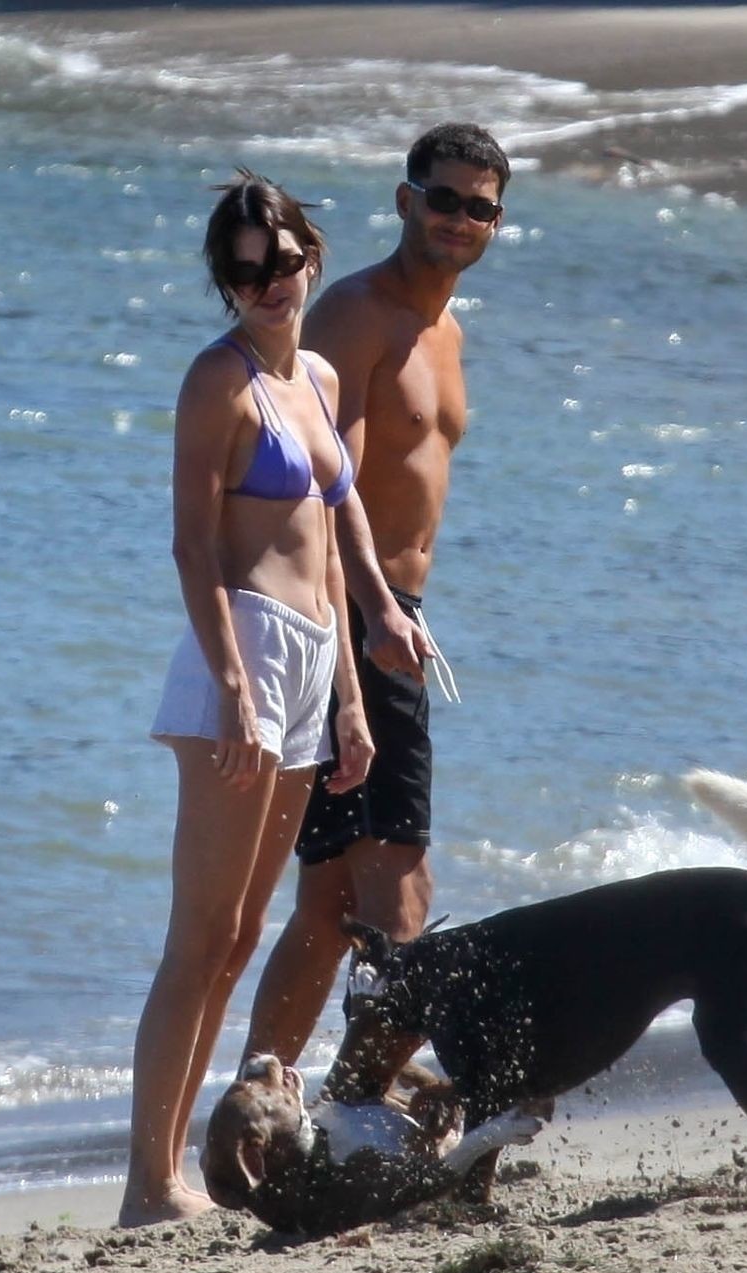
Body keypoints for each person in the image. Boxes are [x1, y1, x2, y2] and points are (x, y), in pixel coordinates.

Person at [119, 171, 375, 1227]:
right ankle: (148, 1185)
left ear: (312, 255)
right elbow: (193, 545)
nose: (268, 284)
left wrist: (350, 700)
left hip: (312, 660)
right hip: (247, 652)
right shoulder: (215, 382)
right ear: (223, 283)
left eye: (282, 262)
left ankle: (178, 1167)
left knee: (241, 935)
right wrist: (232, 682)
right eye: (243, 272)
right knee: (201, 935)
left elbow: (330, 558)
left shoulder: (318, 377)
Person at [243, 123, 511, 1067]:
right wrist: (377, 617)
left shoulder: (448, 333)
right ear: (405, 201)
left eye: (480, 208)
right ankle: (365, 1111)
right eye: (443, 199)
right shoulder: (356, 315)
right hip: (355, 613)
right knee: (401, 895)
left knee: (328, 905)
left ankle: (261, 1104)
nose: (459, 219)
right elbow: (327, 489)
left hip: (387, 615)